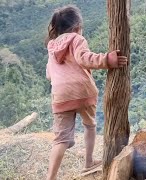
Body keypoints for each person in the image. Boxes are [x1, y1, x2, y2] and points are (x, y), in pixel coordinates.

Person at [45, 5, 127, 180]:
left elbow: (48, 74)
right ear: (77, 27)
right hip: (83, 91)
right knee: (89, 124)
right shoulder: (76, 39)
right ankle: (88, 161)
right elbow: (85, 58)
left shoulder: (51, 47)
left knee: (60, 139)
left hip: (60, 94)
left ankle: (50, 177)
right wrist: (107, 60)